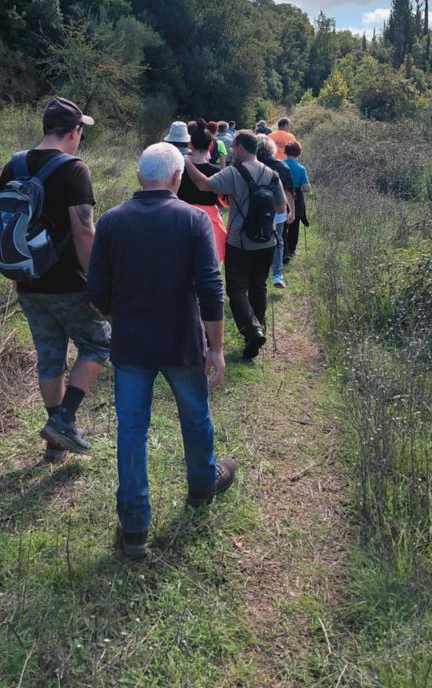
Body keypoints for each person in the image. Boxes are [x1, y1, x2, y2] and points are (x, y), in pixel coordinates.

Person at [88, 143, 236, 558]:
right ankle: (203, 484)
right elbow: (210, 287)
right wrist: (217, 347)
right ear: (177, 178)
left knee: (132, 430)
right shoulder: (193, 220)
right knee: (194, 413)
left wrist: (122, 320)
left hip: (132, 346)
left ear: (139, 177)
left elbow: (97, 291)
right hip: (182, 342)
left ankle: (134, 528)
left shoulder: (112, 221)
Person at [0, 97, 110, 463]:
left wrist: (15, 273)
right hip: (68, 282)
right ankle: (63, 420)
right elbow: (84, 232)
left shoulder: (13, 166)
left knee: (49, 356)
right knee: (97, 344)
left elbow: (4, 225)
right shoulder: (74, 169)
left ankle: (54, 442)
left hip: (27, 280)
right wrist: (98, 285)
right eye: (81, 131)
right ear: (74, 131)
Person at [184, 130, 286, 360]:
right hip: (267, 241)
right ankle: (257, 333)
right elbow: (281, 209)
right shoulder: (272, 174)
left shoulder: (234, 172)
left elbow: (204, 185)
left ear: (240, 148)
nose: (231, 152)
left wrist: (187, 162)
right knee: (259, 286)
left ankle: (252, 330)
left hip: (240, 242)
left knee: (236, 289)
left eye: (233, 148)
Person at [177, 119, 227, 262]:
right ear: (211, 145)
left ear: (190, 144)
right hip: (210, 223)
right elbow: (222, 197)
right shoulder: (216, 171)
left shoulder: (180, 169)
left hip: (183, 219)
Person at [256, 134, 295, 289]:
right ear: (271, 148)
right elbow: (288, 191)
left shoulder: (251, 164)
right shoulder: (281, 166)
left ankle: (258, 272)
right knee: (277, 240)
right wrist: (291, 210)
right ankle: (277, 274)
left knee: (255, 239)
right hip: (278, 209)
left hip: (255, 209)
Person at [283, 141, 311, 260]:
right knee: (294, 225)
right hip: (296, 196)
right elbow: (306, 188)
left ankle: (282, 249)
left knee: (283, 224)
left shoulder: (280, 165)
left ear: (285, 152)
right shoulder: (301, 168)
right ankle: (291, 250)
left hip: (282, 194)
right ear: (298, 153)